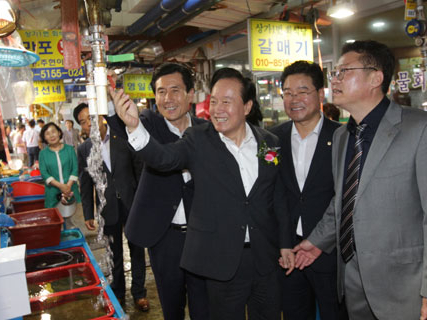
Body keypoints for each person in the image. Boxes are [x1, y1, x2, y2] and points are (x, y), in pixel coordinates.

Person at [111, 67, 294, 320]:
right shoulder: (199, 139)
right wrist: (134, 127)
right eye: (214, 102)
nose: (217, 109)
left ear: (248, 106)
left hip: (265, 259)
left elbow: (277, 197)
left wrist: (285, 244)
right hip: (222, 260)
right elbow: (164, 158)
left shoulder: (268, 143)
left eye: (227, 102)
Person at [293, 40, 427, 320]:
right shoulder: (343, 136)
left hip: (406, 285)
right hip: (353, 281)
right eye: (335, 73)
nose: (336, 79)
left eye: (344, 71)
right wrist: (317, 241)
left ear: (375, 78)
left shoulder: (419, 128)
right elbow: (345, 199)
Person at [108, 63, 209, 320]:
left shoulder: (205, 131)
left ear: (190, 94)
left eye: (175, 90)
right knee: (171, 306)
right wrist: (115, 105)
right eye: (161, 91)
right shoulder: (148, 124)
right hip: (165, 237)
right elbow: (124, 127)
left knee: (204, 307)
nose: (168, 99)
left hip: (203, 236)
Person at [270, 61, 347, 320]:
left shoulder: (343, 137)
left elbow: (347, 195)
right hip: (287, 254)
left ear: (320, 94)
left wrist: (320, 241)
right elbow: (268, 191)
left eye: (303, 91)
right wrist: (281, 243)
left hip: (330, 252)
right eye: (288, 93)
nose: (294, 99)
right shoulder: (270, 140)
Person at [74, 103, 149, 311]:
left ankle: (139, 294)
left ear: (100, 116)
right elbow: (85, 182)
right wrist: (88, 213)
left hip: (131, 202)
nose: (89, 123)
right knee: (113, 254)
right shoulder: (84, 149)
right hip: (107, 209)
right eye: (83, 122)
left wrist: (143, 202)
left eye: (91, 117)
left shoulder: (122, 137)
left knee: (136, 250)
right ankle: (118, 295)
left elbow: (139, 171)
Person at [38, 122, 81, 229]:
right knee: (56, 226)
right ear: (44, 138)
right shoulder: (43, 154)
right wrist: (61, 186)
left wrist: (68, 186)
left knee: (74, 225)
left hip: (71, 191)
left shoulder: (69, 149)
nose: (51, 135)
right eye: (47, 134)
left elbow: (75, 168)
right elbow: (44, 173)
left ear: (59, 132)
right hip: (52, 194)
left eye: (53, 131)